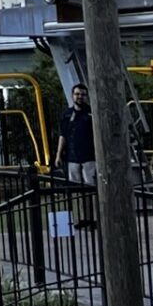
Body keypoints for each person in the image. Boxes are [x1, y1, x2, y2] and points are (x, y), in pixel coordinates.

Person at [56, 85, 98, 225]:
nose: (79, 97)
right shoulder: (67, 114)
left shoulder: (91, 114)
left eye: (82, 94)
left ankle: (92, 218)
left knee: (90, 188)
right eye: (77, 94)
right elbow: (63, 135)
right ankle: (82, 218)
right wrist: (58, 155)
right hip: (72, 157)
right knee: (76, 190)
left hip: (89, 157)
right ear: (73, 95)